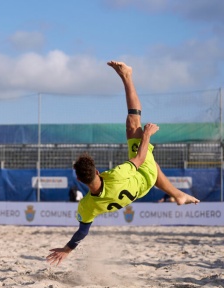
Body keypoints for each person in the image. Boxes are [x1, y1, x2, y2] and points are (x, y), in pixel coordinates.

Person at [47, 61, 200, 267]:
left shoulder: (86, 205)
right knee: (133, 123)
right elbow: (139, 159)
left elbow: (83, 230)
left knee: (148, 162)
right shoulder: (115, 175)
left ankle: (178, 195)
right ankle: (127, 76)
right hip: (142, 176)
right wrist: (147, 135)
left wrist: (68, 249)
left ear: (79, 180)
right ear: (98, 172)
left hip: (139, 189)